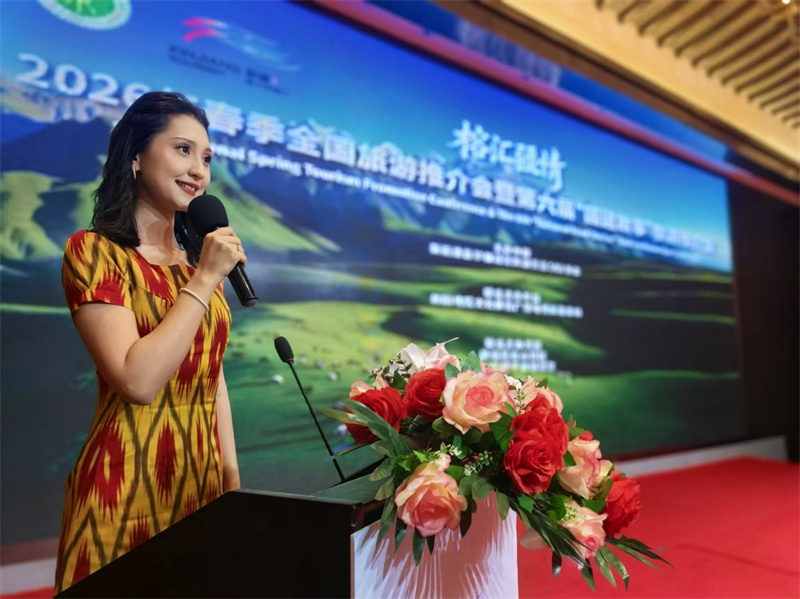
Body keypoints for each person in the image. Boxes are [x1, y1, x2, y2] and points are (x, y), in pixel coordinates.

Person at [54, 92, 244, 593]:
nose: (198, 170)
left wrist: (230, 472)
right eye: (183, 149)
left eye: (206, 158)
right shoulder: (95, 252)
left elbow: (212, 374)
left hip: (201, 487)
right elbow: (136, 381)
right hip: (122, 488)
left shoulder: (197, 266)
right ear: (136, 156)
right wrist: (205, 279)